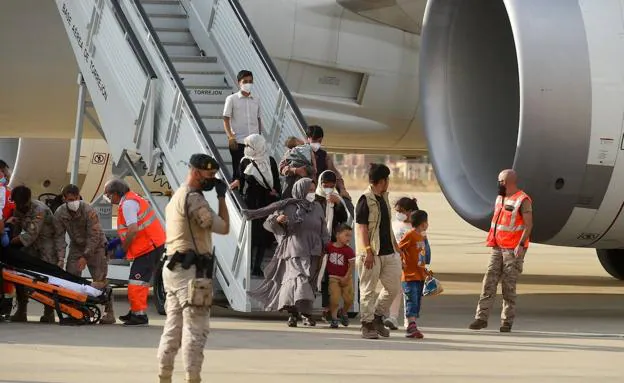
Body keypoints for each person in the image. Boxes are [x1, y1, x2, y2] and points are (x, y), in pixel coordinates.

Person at [157, 154, 230, 383]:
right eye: (210, 175)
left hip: (172, 269)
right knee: (196, 329)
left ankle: (164, 376)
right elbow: (223, 227)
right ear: (197, 172)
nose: (212, 179)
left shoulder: (177, 195)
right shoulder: (195, 199)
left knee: (173, 328)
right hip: (191, 273)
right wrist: (221, 198)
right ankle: (192, 378)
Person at [244, 178, 330, 327]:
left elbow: (324, 228)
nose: (312, 193)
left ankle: (296, 314)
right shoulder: (288, 206)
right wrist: (278, 219)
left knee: (308, 282)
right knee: (299, 278)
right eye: (309, 190)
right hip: (295, 248)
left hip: (315, 250)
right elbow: (270, 222)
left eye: (313, 190)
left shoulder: (317, 207)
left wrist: (326, 245)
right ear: (300, 190)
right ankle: (304, 314)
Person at [469, 169, 533, 333]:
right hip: (498, 247)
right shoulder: (500, 198)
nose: (498, 184)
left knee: (508, 285)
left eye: (500, 181)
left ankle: (507, 321)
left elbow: (528, 225)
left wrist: (520, 244)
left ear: (506, 182)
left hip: (513, 249)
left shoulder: (522, 200)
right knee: (489, 281)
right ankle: (481, 318)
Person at [104, 178, 166, 326]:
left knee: (136, 282)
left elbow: (133, 229)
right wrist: (116, 243)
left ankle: (139, 316)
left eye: (108, 194)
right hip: (151, 244)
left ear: (116, 193)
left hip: (149, 247)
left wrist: (123, 249)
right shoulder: (132, 200)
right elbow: (130, 229)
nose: (107, 197)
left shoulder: (128, 205)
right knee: (139, 281)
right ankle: (135, 312)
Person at [54, 184, 115, 324]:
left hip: (96, 246)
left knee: (100, 280)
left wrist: (85, 257)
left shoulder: (89, 210)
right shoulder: (60, 213)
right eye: (70, 199)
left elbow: (94, 236)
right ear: (64, 199)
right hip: (77, 246)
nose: (73, 202)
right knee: (71, 278)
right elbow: (59, 237)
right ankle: (74, 310)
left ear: (79, 196)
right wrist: (60, 258)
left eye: (75, 198)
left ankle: (109, 312)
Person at [355, 163, 401, 339]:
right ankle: (367, 325)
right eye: (387, 179)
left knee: (393, 287)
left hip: (388, 252)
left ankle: (377, 317)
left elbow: (386, 226)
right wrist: (367, 251)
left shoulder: (384, 198)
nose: (388, 182)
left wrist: (397, 248)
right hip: (371, 253)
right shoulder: (365, 199)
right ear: (382, 181)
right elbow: (362, 228)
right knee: (368, 290)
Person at [229, 134, 281, 277]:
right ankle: (248, 265)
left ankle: (256, 266)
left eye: (249, 146)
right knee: (251, 234)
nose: (246, 148)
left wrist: (275, 191)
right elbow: (240, 177)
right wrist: (237, 182)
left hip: (266, 201)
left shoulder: (270, 161)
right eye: (246, 145)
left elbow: (276, 181)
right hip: (251, 202)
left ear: (258, 147)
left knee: (264, 235)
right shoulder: (245, 161)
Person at [8, 185, 59, 323]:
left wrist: (10, 242)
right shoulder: (18, 208)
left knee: (47, 277)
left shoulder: (39, 209)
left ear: (28, 200)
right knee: (19, 274)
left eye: (21, 204)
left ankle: (49, 312)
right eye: (17, 204)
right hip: (29, 245)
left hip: (46, 244)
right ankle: (21, 310)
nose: (19, 207)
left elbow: (31, 233)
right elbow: (18, 228)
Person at [385, 197, 431, 330]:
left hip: (411, 266)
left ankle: (408, 320)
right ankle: (393, 317)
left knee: (410, 293)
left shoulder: (417, 229)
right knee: (395, 290)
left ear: (410, 212)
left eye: (401, 211)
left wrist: (425, 262)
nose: (398, 214)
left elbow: (424, 248)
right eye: (397, 211)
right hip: (396, 262)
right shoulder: (394, 224)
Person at [315, 170, 349, 321]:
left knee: (330, 277)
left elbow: (344, 219)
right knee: (315, 274)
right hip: (316, 242)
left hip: (332, 244)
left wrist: (338, 204)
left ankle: (327, 308)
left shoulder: (337, 199)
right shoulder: (315, 199)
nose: (328, 188)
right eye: (325, 185)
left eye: (331, 185)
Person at [223, 69, 263, 181]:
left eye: (250, 81)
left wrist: (260, 136)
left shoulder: (257, 99)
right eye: (245, 81)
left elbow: (259, 119)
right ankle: (237, 195)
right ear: (238, 82)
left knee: (254, 175)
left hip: (254, 144)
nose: (248, 84)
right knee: (238, 174)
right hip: (239, 142)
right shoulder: (232, 99)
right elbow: (226, 119)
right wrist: (230, 136)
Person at [398, 210, 429, 339]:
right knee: (411, 299)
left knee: (417, 301)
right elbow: (399, 248)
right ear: (423, 223)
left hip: (420, 274)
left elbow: (422, 256)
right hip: (410, 275)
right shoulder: (410, 235)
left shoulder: (421, 237)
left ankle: (413, 324)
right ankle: (411, 325)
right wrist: (401, 262)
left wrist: (425, 270)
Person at [306, 125, 350, 199]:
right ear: (308, 139)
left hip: (319, 195)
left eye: (319, 141)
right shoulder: (298, 153)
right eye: (314, 141)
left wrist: (342, 189)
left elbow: (335, 175)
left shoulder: (324, 156)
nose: (317, 143)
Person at [325, 224, 355, 328]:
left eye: (350, 236)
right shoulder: (329, 247)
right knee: (334, 298)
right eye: (346, 235)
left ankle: (344, 312)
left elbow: (352, 265)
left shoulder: (349, 250)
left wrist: (346, 277)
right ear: (337, 235)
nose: (348, 238)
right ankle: (334, 318)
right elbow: (322, 257)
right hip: (333, 277)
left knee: (349, 299)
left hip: (346, 278)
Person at [0, 167, 15, 319]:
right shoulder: (5, 193)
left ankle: (6, 306)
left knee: (7, 275)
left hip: (6, 234)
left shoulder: (9, 194)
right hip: (4, 233)